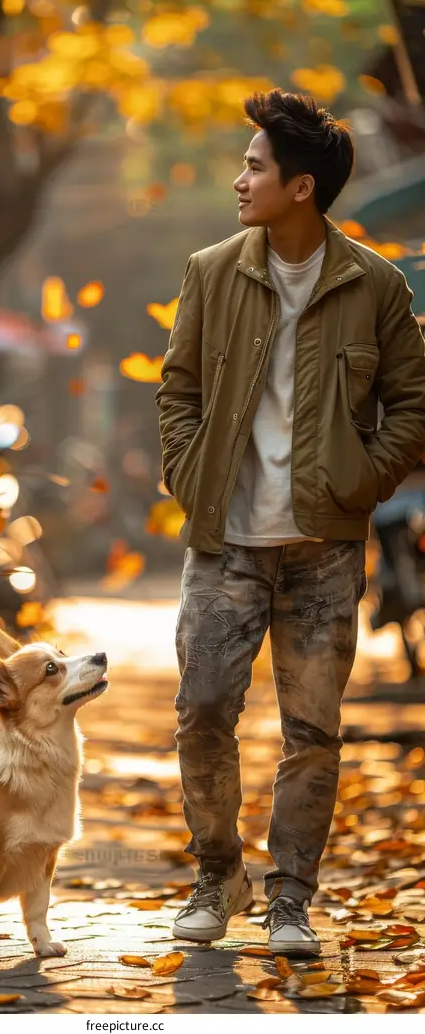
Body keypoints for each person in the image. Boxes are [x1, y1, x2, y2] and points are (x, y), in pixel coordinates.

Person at [155, 89, 425, 955]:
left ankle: (290, 900)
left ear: (300, 187)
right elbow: (180, 390)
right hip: (225, 538)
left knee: (313, 731)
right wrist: (188, 470)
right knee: (201, 710)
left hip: (324, 547)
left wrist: (364, 478)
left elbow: (412, 403)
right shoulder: (210, 271)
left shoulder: (376, 285)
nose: (239, 180)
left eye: (254, 166)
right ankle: (215, 872)